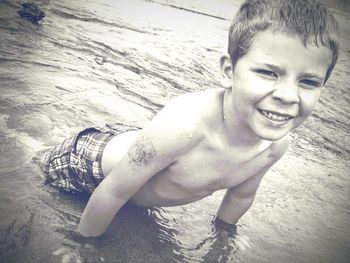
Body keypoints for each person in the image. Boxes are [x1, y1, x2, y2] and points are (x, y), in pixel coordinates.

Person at [39, 0, 339, 237]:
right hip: (88, 163)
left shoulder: (274, 146)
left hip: (151, 155)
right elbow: (113, 190)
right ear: (228, 71)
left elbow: (241, 197)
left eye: (308, 82)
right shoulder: (186, 123)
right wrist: (84, 245)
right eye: (268, 72)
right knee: (35, 169)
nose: (288, 95)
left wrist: (223, 236)